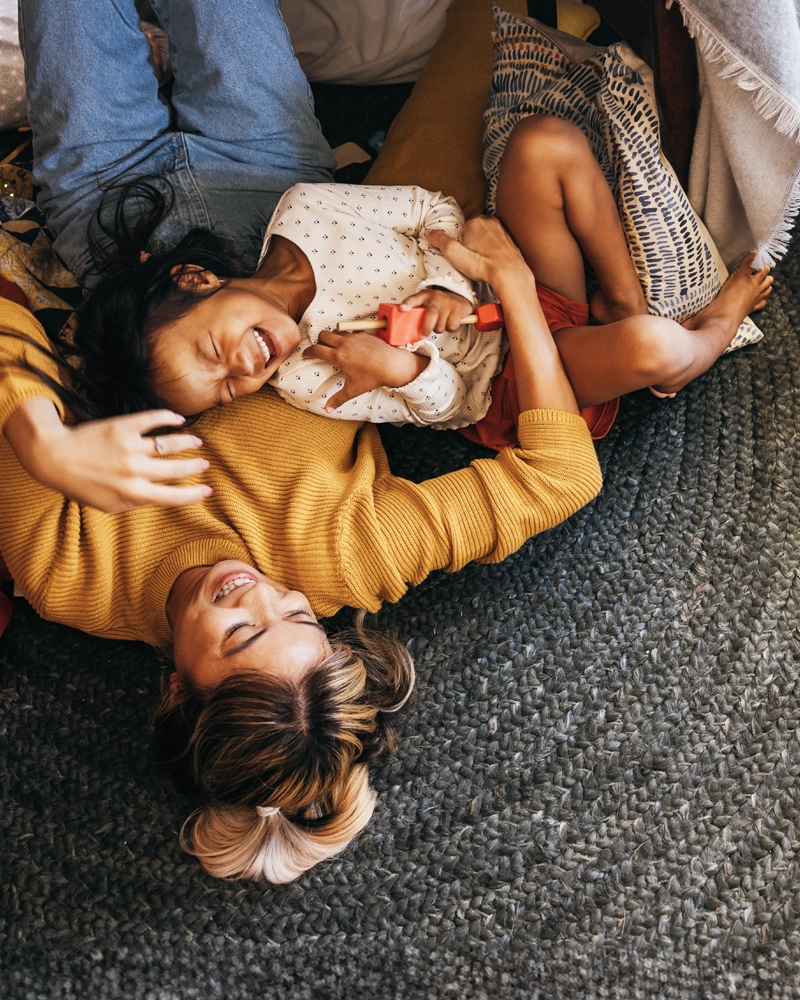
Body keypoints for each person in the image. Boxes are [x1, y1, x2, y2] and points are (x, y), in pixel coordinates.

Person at [0, 216, 604, 882]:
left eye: (237, 634)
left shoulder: (68, 573)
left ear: (178, 690)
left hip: (145, 282)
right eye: (296, 616)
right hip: (356, 235)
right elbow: (563, 475)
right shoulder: (348, 554)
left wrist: (42, 444)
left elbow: (6, 303)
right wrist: (515, 285)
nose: (257, 591)